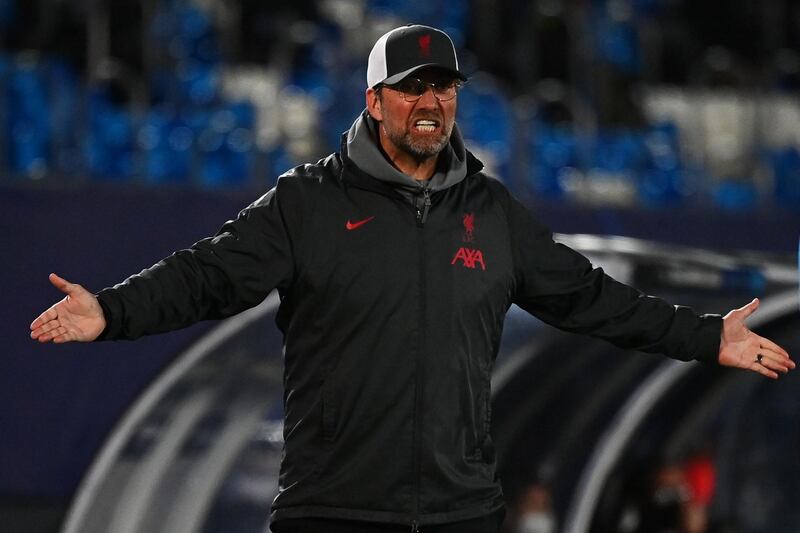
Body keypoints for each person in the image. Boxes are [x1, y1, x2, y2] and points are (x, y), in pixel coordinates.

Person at [30, 24, 793, 533]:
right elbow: (207, 276)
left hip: (460, 512)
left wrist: (703, 334)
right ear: (374, 101)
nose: (432, 102)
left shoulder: (492, 212)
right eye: (413, 86)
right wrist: (113, 311)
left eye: (445, 87)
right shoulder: (308, 203)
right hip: (334, 512)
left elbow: (591, 298)